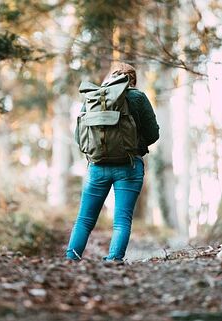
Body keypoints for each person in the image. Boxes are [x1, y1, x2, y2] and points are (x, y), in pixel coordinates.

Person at [66, 62, 160, 262]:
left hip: (97, 166)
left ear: (111, 76)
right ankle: (114, 260)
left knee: (84, 220)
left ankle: (71, 259)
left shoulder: (94, 95)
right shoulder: (138, 97)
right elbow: (153, 134)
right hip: (129, 166)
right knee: (121, 221)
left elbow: (79, 135)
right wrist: (134, 144)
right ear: (132, 80)